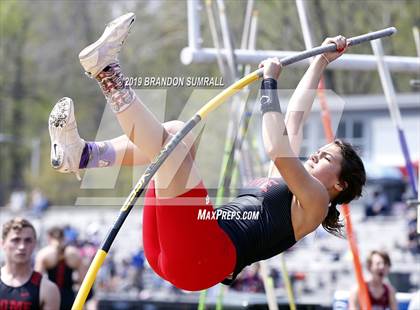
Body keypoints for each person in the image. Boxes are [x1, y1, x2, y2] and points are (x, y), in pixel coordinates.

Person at [48, 13, 366, 291]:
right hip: (180, 249)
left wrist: (269, 84)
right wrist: (320, 62)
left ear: (340, 185)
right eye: (319, 151)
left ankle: (107, 72)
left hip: (204, 256)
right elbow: (294, 119)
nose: (314, 155)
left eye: (325, 158)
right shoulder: (290, 185)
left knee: (171, 150)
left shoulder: (315, 202)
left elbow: (276, 146)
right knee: (176, 133)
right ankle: (83, 155)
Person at [0, 217, 60, 309]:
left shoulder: (47, 288)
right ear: (2, 243)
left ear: (35, 244)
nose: (22, 246)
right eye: (15, 240)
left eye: (28, 240)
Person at [35, 226, 88, 310]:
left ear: (49, 237)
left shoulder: (44, 254)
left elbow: (37, 281)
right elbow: (83, 280)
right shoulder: (74, 254)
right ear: (64, 237)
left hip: (51, 297)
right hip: (69, 297)